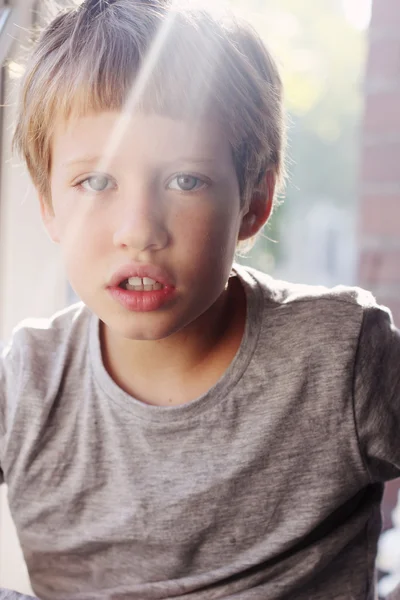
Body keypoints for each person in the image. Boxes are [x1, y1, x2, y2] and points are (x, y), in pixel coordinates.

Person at [0, 0, 399, 598]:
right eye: (96, 181)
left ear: (253, 202)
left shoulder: (343, 354)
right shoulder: (26, 381)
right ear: (49, 205)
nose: (139, 230)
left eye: (185, 180)